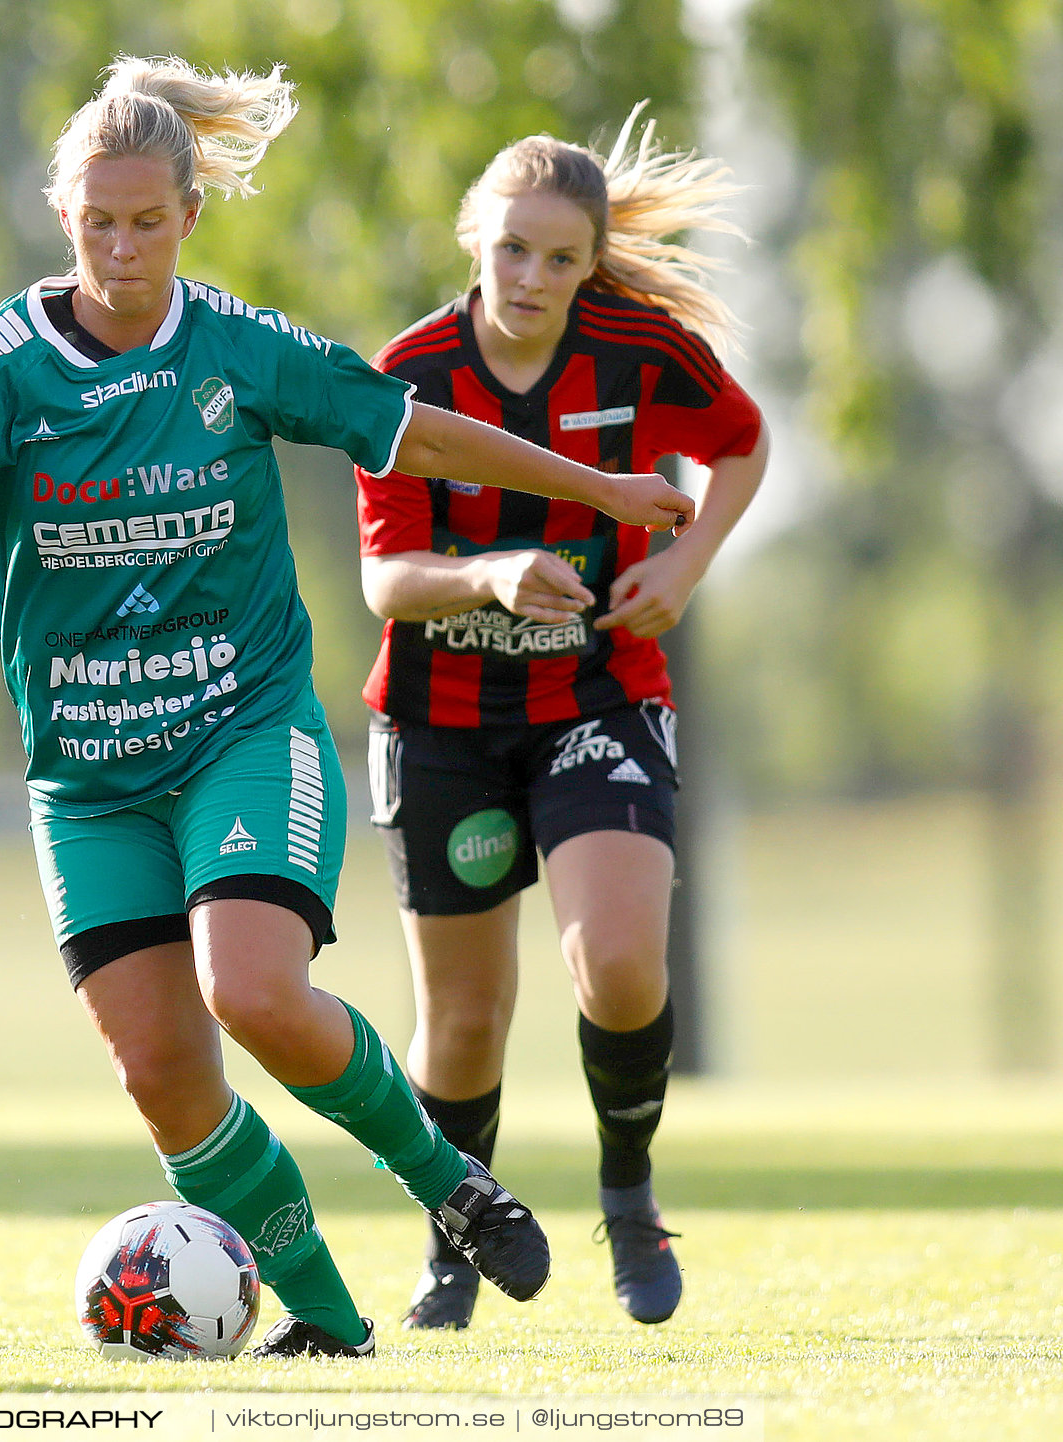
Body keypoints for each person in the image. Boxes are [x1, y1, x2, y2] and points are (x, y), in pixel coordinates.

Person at [0, 58, 694, 1359]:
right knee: (163, 1076)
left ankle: (455, 1186)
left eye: (146, 221)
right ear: (61, 214)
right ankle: (333, 1322)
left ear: (189, 217)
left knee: (252, 987)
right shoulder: (8, 364)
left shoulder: (238, 348)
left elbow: (415, 430)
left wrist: (595, 484)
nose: (121, 248)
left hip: (243, 734)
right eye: (96, 223)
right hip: (87, 779)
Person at [356, 110, 768, 1330]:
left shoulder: (641, 351)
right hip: (442, 718)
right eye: (515, 249)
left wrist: (685, 570)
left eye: (562, 259)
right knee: (465, 1019)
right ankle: (452, 1241)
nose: (533, 278)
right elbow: (385, 581)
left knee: (621, 961)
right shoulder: (411, 373)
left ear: (592, 267)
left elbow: (740, 445)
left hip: (600, 695)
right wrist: (485, 574)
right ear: (476, 237)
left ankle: (629, 1193)